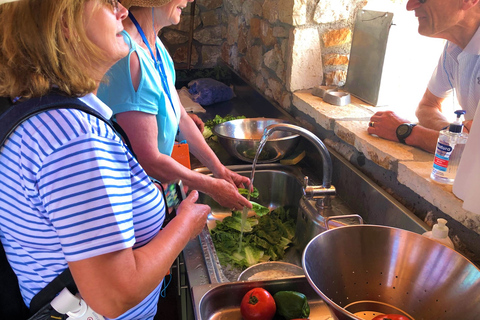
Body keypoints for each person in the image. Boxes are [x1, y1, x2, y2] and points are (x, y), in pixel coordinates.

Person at [0, 1, 209, 319]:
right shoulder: (74, 138)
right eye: (106, 2)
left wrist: (155, 195)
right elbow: (114, 294)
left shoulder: (40, 111)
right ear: (65, 26)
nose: (122, 11)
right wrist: (185, 224)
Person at [97, 0, 252, 211]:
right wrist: (212, 187)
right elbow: (149, 159)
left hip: (160, 187)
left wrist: (220, 171)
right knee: (171, 230)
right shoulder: (129, 59)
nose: (189, 1)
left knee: (175, 214)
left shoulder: (156, 47)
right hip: (134, 202)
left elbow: (183, 119)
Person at [367, 0, 480, 154]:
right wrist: (453, 135)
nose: (410, 5)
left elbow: (471, 149)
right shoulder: (454, 47)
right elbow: (427, 105)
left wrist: (407, 131)